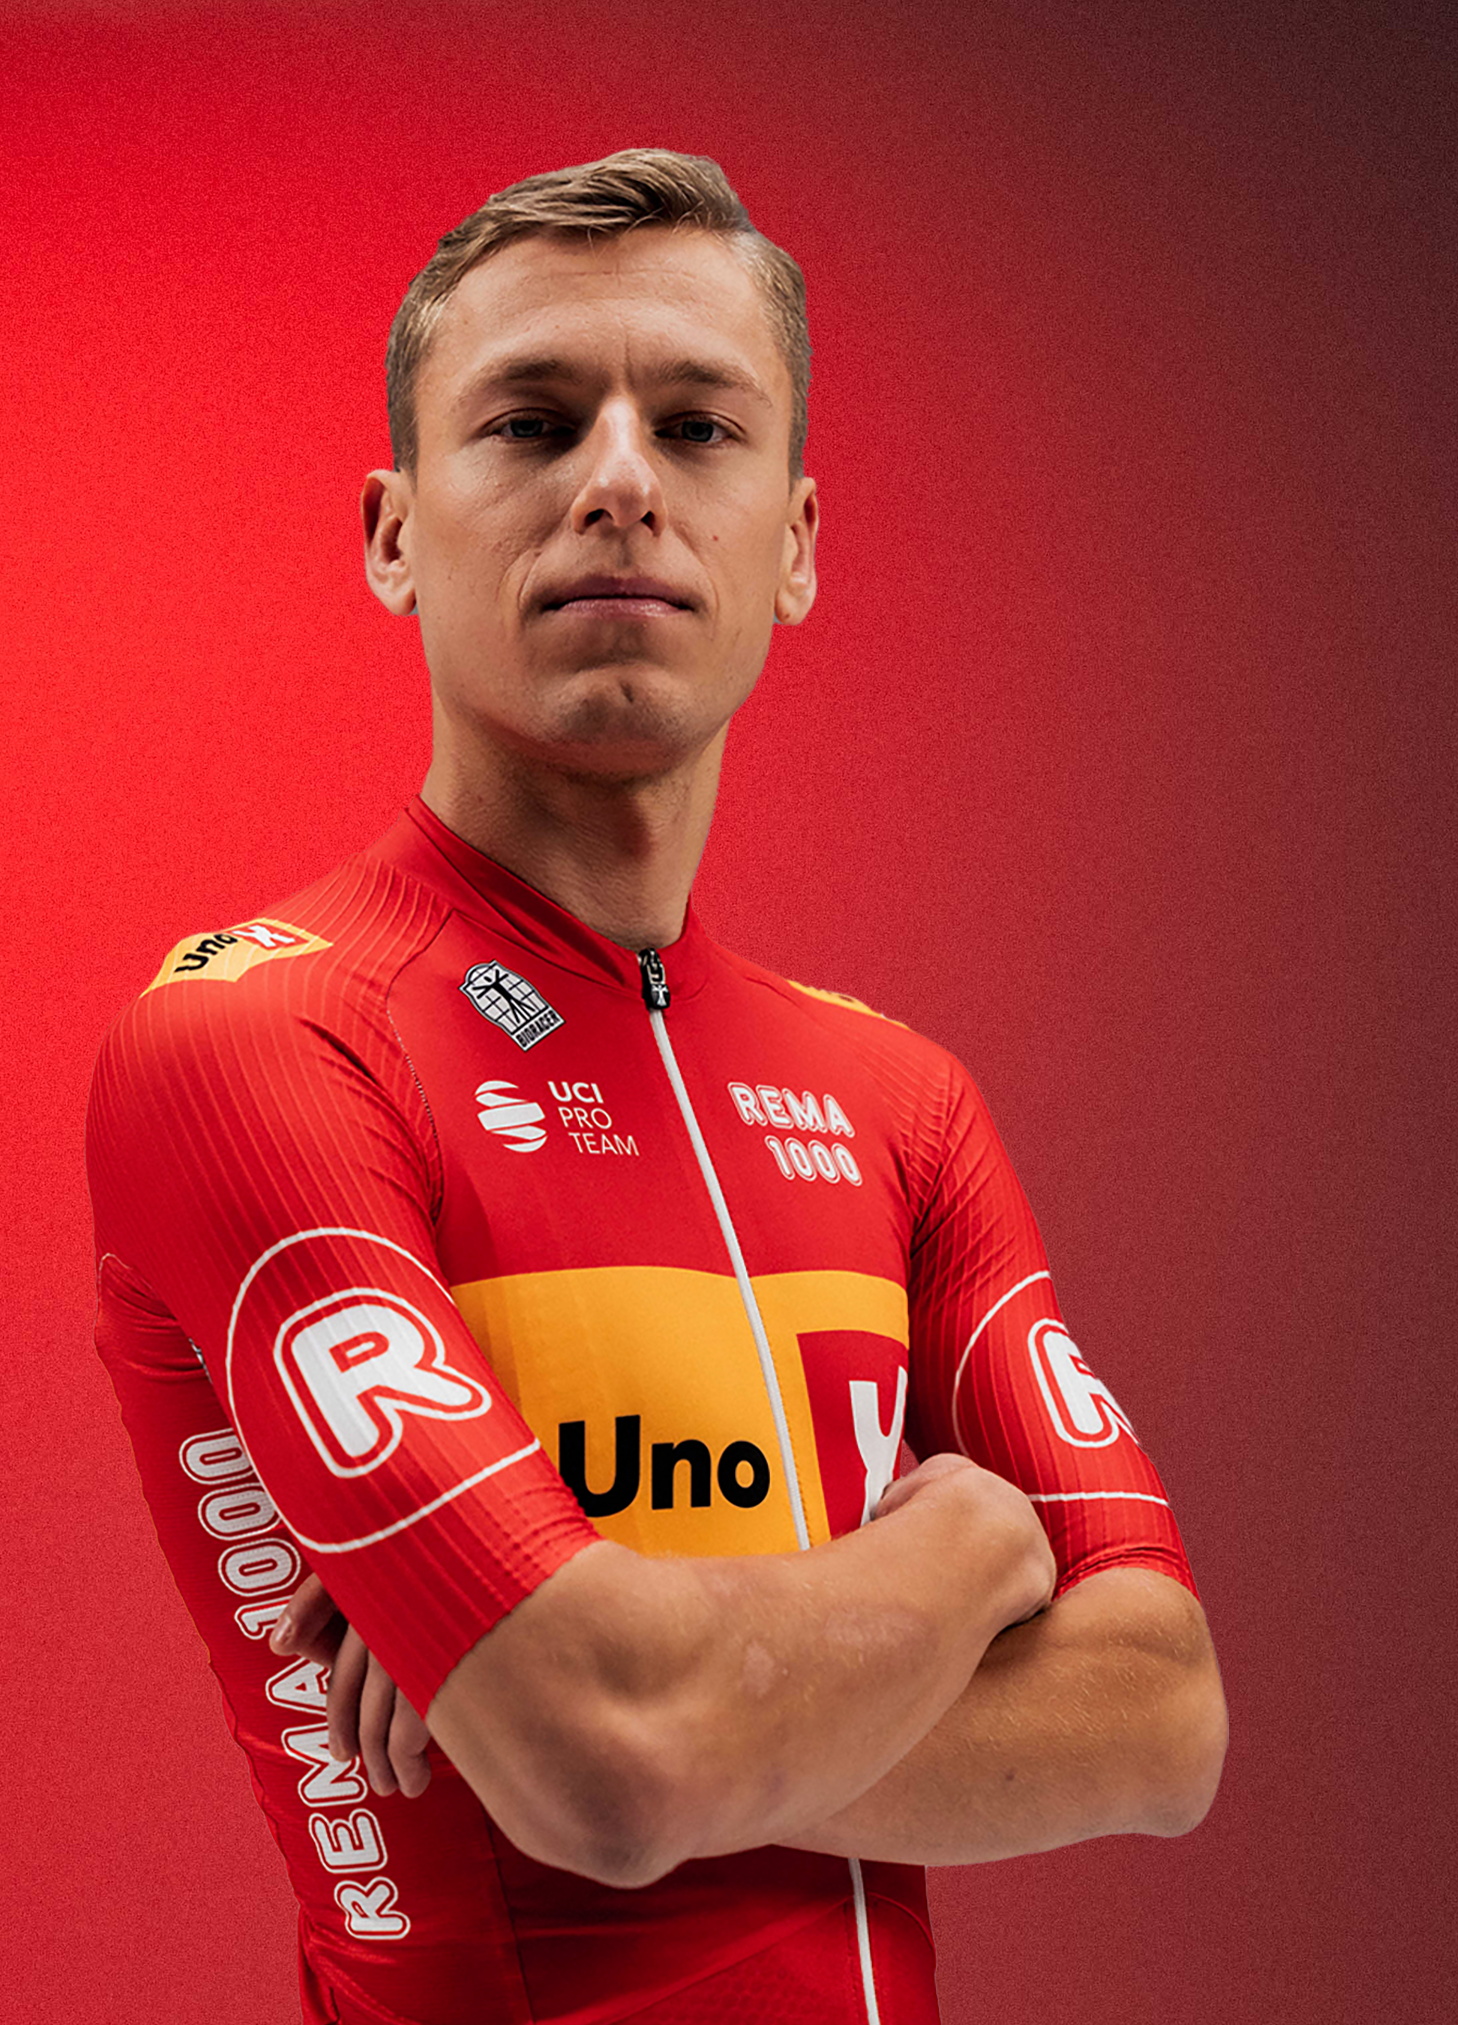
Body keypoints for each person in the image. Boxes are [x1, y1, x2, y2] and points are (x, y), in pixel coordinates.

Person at [86, 149, 1226, 2025]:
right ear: (393, 534)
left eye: (698, 427)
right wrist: (971, 1543)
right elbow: (610, 1756)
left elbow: (1164, 1715)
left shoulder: (901, 1097)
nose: (619, 477)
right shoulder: (258, 1042)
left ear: (794, 542)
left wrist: (658, 1717)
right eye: (531, 422)